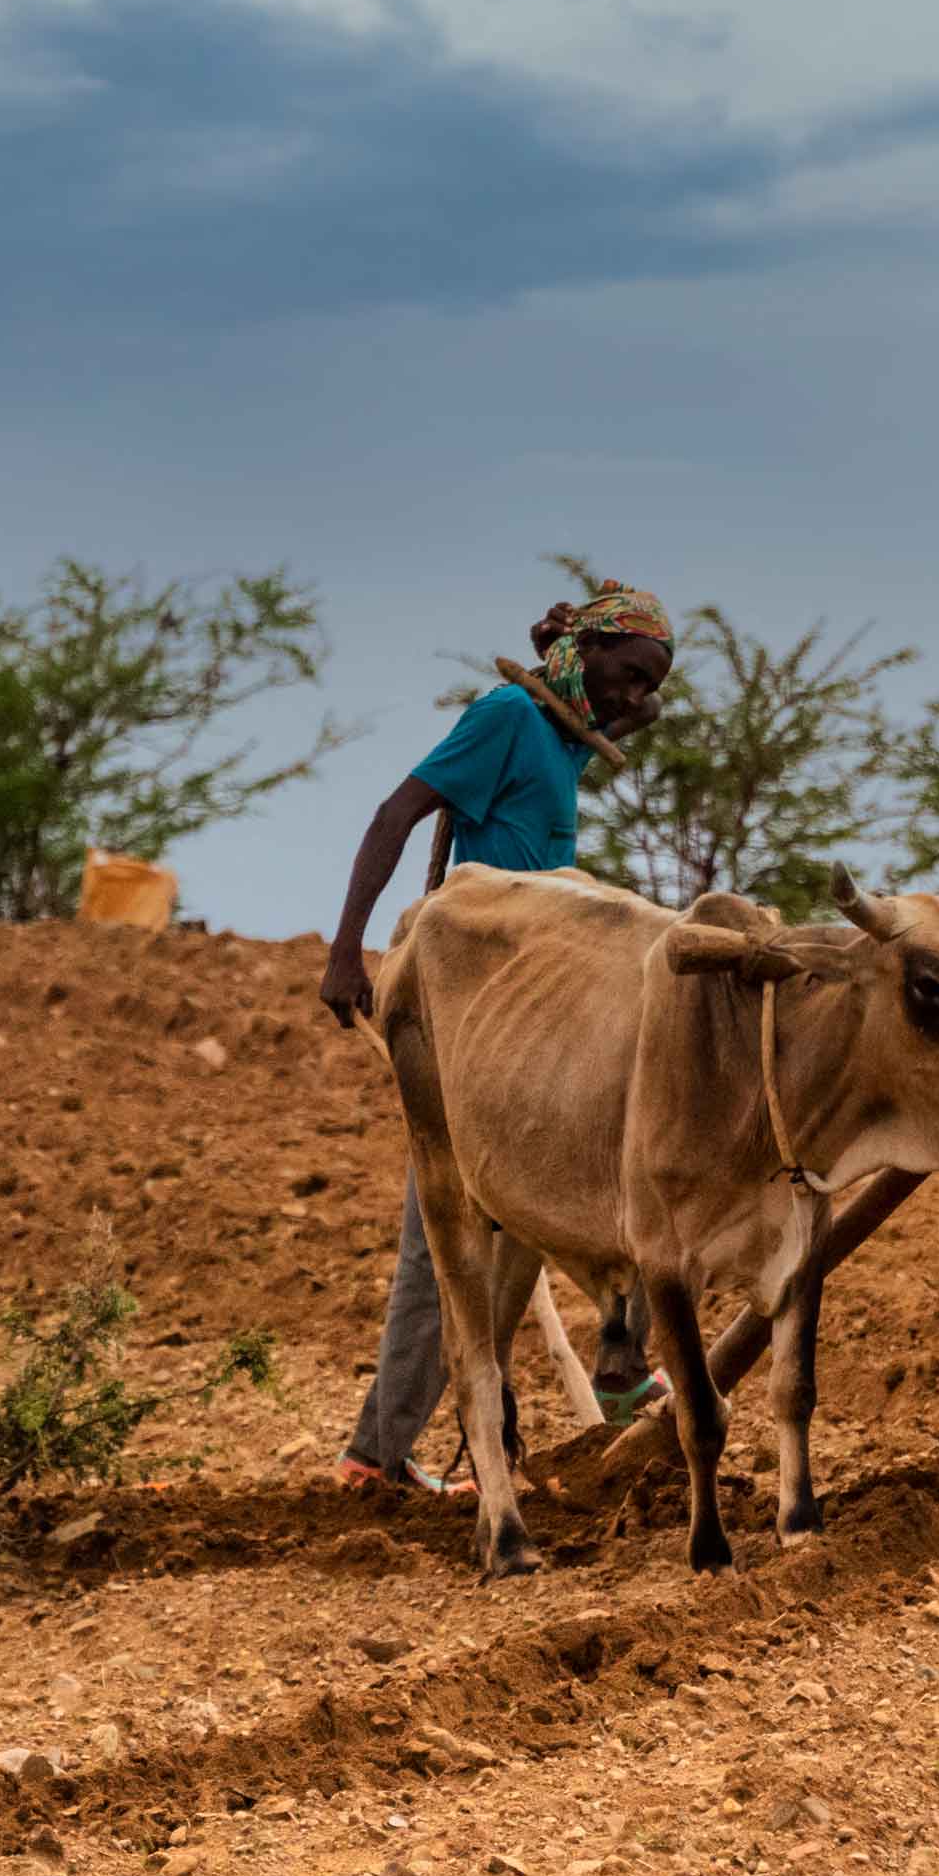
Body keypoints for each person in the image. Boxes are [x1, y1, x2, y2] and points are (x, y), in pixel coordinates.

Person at [318, 586, 678, 1493]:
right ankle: (382, 1455)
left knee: (515, 1229)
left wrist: (587, 666)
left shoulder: (561, 738)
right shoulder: (511, 715)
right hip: (475, 1003)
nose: (637, 701)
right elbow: (395, 814)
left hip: (537, 1012)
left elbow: (613, 710)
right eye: (629, 676)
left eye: (653, 687)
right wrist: (347, 950)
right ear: (587, 655)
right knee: (441, 1239)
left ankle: (469, 1447)